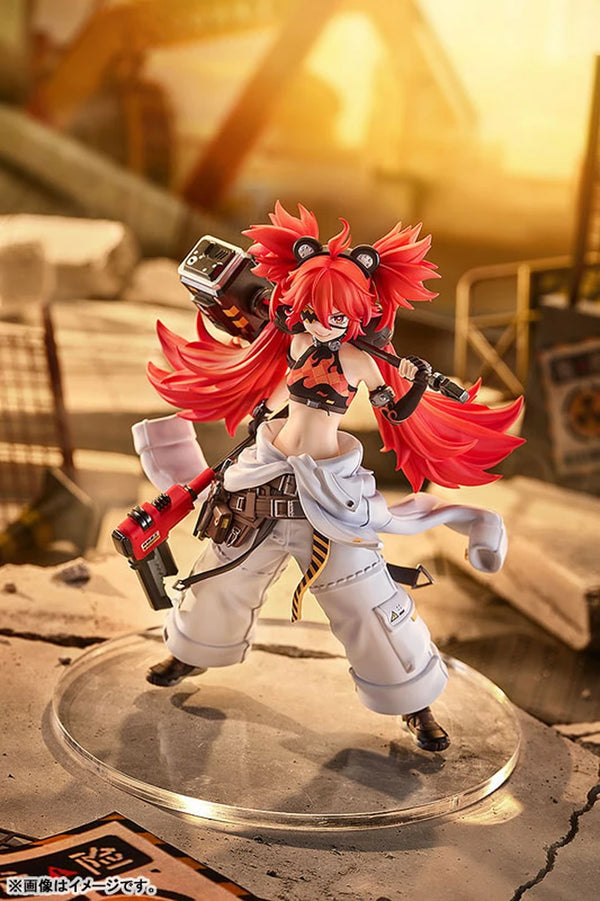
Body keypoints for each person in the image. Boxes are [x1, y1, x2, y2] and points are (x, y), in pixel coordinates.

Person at [138, 202, 524, 753]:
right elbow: (271, 381)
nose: (327, 323)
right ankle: (189, 653)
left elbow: (397, 412)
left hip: (329, 498)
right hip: (263, 480)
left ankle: (415, 702)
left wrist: (412, 381)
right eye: (315, 312)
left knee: (369, 603)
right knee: (219, 579)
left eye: (339, 315)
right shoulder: (293, 343)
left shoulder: (362, 361)